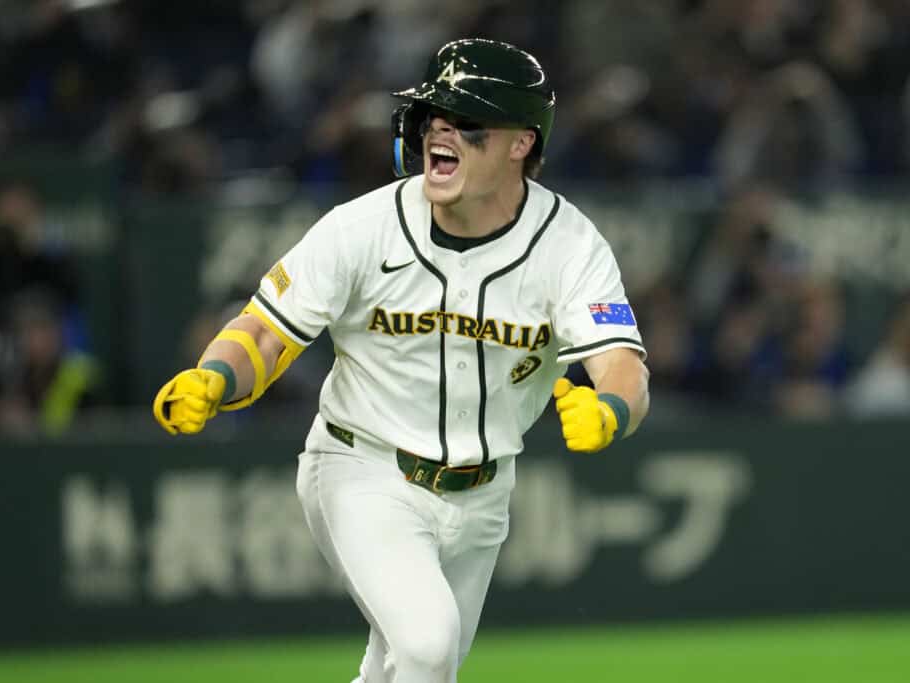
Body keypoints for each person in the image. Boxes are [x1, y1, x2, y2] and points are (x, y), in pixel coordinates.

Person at [153, 39, 649, 683]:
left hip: (483, 497)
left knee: (397, 670)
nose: (440, 130)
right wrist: (215, 376)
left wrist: (611, 410)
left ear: (521, 144)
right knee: (425, 647)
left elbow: (624, 367)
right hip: (361, 468)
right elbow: (266, 332)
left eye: (467, 121)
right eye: (432, 116)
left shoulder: (570, 246)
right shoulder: (361, 228)